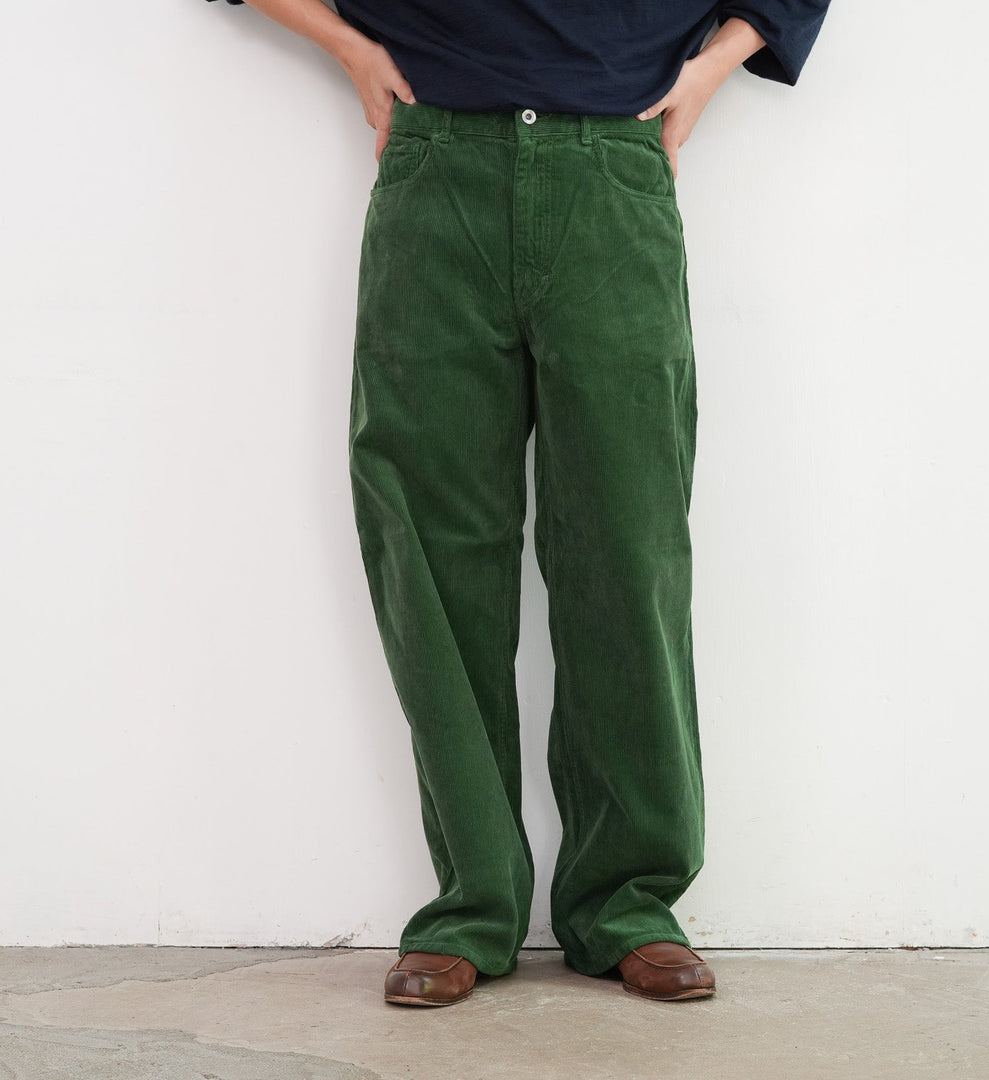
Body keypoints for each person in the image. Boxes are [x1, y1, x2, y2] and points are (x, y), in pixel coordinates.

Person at [205, 0, 832, 1006]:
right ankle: (472, 903)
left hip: (614, 163)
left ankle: (628, 901)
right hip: (436, 164)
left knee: (628, 547)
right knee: (433, 554)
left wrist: (713, 68)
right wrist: (351, 46)